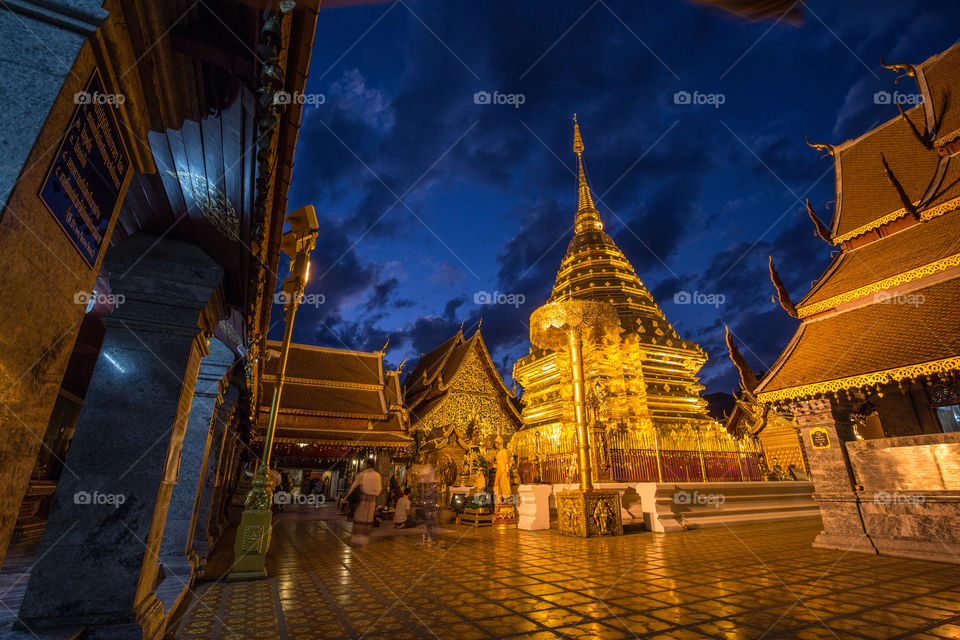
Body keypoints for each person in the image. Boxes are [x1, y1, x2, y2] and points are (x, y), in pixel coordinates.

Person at [347, 459, 382, 532]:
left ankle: (358, 539)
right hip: (372, 501)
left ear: (368, 465)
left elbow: (354, 485)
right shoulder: (377, 476)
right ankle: (364, 539)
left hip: (363, 500)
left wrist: (348, 495)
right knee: (368, 520)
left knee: (360, 518)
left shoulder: (363, 474)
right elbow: (379, 489)